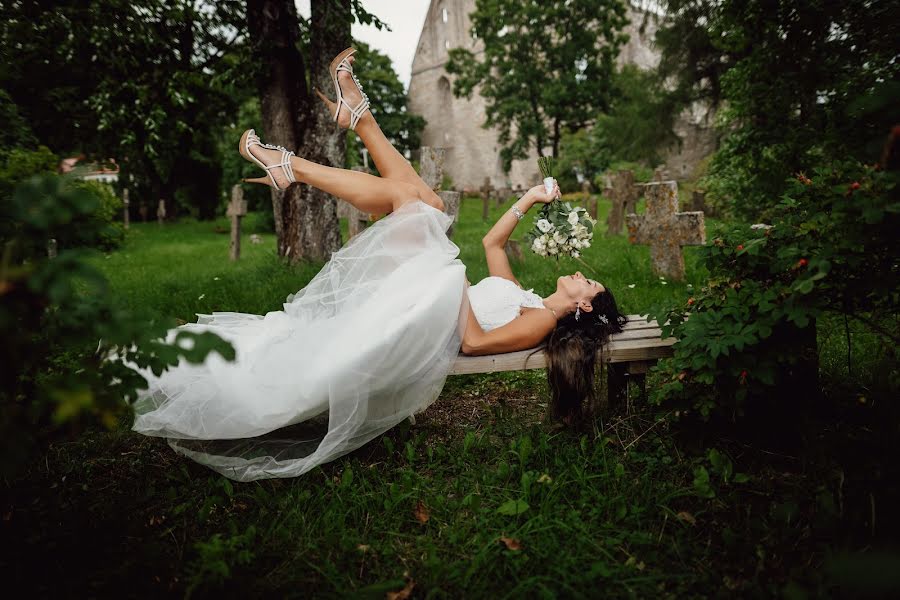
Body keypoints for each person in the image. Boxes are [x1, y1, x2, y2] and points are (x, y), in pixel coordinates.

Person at [130, 48, 625, 481]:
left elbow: (473, 342)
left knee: (418, 202)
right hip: (428, 298)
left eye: (588, 282)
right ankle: (324, 141)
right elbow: (494, 244)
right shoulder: (529, 302)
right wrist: (532, 198)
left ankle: (318, 148)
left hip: (426, 316)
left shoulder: (542, 318)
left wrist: (451, 281)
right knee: (415, 198)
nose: (581, 273)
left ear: (582, 306)